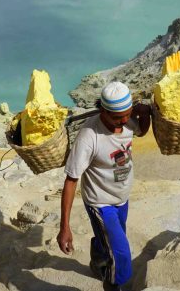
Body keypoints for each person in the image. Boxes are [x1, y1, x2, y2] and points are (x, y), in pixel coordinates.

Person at [57, 82, 151, 291]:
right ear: (103, 111)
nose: (124, 121)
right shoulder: (89, 136)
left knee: (108, 241)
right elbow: (71, 180)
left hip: (122, 198)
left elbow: (141, 131)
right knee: (121, 255)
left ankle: (97, 258)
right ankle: (112, 284)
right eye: (118, 117)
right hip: (100, 203)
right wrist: (65, 227)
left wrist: (144, 115)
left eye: (128, 114)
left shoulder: (127, 121)